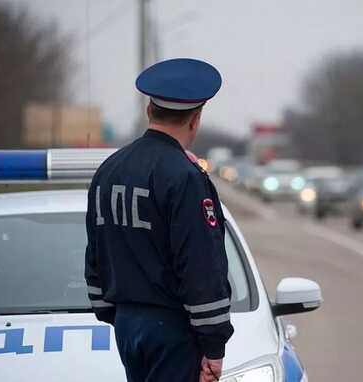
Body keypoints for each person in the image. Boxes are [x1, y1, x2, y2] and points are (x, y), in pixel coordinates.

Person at [84, 58, 233, 382]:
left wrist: (116, 313)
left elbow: (94, 251)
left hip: (127, 325)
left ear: (149, 111)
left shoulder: (108, 170)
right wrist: (213, 345)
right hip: (173, 331)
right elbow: (200, 265)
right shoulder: (185, 177)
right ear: (196, 120)